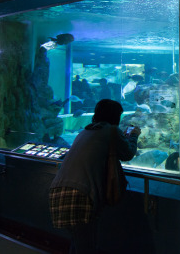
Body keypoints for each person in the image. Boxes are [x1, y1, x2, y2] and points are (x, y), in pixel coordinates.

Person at [49, 99, 141, 254]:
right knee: (86, 247)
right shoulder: (111, 131)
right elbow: (127, 153)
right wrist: (134, 136)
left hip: (57, 191)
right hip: (80, 194)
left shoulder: (84, 132)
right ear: (114, 116)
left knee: (79, 243)